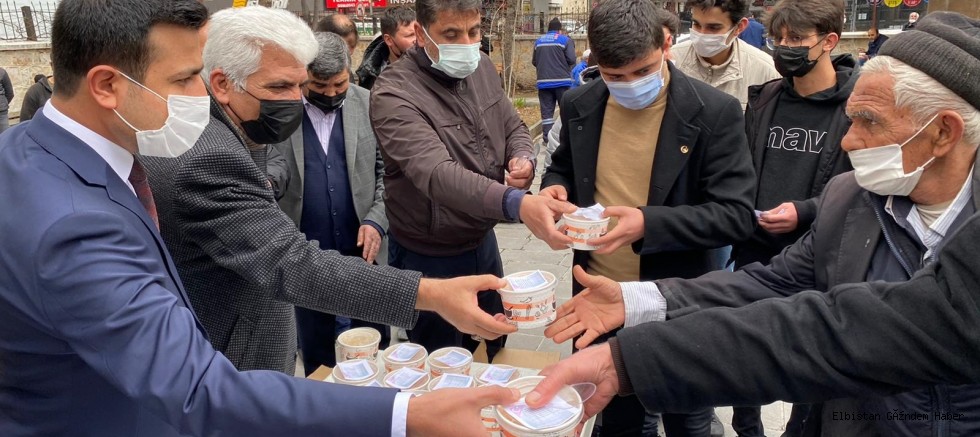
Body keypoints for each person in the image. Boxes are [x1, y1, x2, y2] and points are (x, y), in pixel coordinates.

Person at [0, 0, 519, 435]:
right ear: (106, 85)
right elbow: (201, 387)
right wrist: (407, 414)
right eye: (185, 78)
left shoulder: (28, 149)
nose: (201, 94)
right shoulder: (79, 224)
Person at [537, 12, 980, 437]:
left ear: (944, 132)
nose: (848, 140)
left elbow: (827, 332)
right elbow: (768, 287)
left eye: (869, 121)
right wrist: (635, 304)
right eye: (851, 119)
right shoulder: (849, 200)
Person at [141, 6, 515, 376]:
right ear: (223, 84)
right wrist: (432, 295)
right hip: (231, 370)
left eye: (298, 84)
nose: (295, 100)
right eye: (280, 87)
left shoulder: (242, 122)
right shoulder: (209, 156)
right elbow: (293, 265)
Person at [539, 1, 756, 435]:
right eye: (614, 76)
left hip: (676, 299)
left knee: (687, 420)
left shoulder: (713, 112)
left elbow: (735, 216)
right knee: (616, 418)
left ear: (666, 45)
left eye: (642, 71)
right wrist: (553, 189)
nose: (630, 85)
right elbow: (562, 167)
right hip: (601, 298)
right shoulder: (581, 103)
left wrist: (648, 224)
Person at [370, 0, 576, 361]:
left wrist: (522, 157)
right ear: (420, 33)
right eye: (451, 34)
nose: (466, 44)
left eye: (473, 31)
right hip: (429, 254)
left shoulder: (480, 67)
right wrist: (516, 203)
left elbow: (512, 124)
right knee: (443, 359)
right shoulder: (393, 92)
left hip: (482, 240)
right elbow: (436, 173)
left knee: (494, 341)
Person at [266, 32, 393, 374]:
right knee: (316, 345)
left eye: (340, 84)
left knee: (373, 339)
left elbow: (390, 174)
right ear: (303, 76)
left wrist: (377, 220)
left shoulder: (368, 104)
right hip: (306, 249)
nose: (332, 94)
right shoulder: (281, 111)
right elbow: (271, 163)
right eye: (320, 86)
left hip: (364, 248)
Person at [672, 0, 780, 108]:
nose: (701, 34)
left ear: (739, 27)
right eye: (696, 24)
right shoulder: (672, 59)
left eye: (713, 28)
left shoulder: (766, 73)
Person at [533, 17, 576, 158]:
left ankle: (547, 138)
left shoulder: (538, 41)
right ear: (559, 29)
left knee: (547, 113)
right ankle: (564, 137)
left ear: (548, 29)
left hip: (543, 82)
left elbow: (534, 61)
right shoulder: (565, 40)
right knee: (565, 110)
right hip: (562, 82)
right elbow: (572, 59)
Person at [356, 6, 416, 90]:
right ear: (389, 40)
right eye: (410, 35)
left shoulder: (429, 65)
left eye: (419, 32)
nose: (417, 39)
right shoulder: (369, 73)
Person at [0, 66, 13, 133]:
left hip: (1, 113)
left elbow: (10, 93)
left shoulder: (2, 72)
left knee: (5, 135)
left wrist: (3, 104)